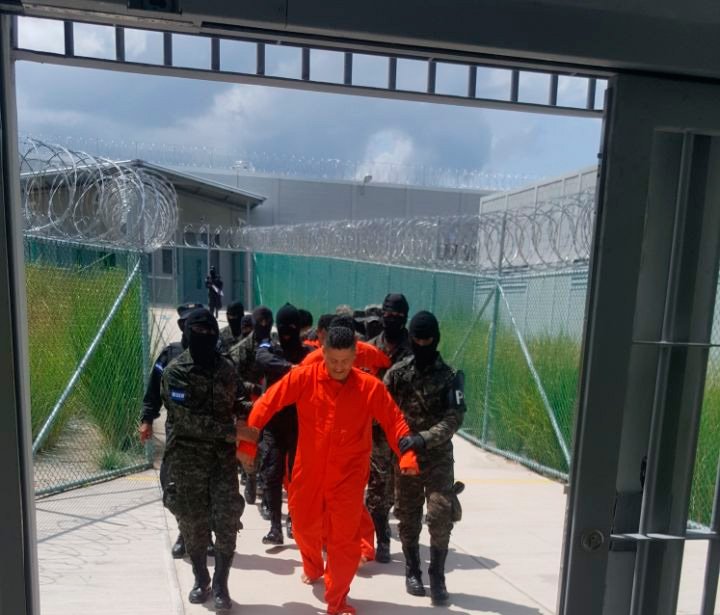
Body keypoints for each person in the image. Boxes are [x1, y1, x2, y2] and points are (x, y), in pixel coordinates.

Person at [237, 326, 420, 615]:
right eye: (333, 361)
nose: (339, 368)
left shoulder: (369, 387)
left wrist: (407, 454)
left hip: (348, 476)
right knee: (303, 527)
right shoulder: (304, 377)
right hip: (307, 472)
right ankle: (312, 565)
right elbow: (268, 402)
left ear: (355, 357)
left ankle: (337, 600)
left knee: (343, 541)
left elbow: (394, 421)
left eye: (346, 361)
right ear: (322, 353)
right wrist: (248, 444)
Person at [160, 308, 245, 611]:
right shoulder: (176, 372)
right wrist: (231, 431)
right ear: (187, 333)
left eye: (211, 332)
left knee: (226, 520)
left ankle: (221, 583)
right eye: (199, 332)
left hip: (222, 463)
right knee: (193, 523)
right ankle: (201, 578)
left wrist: (255, 410)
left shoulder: (226, 370)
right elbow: (186, 421)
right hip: (188, 462)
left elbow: (238, 400)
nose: (206, 337)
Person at [385, 311, 465, 605]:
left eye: (427, 339)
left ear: (436, 338)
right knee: (407, 515)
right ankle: (412, 570)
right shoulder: (397, 374)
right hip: (405, 458)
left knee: (440, 513)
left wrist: (424, 438)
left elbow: (454, 419)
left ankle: (437, 576)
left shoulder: (450, 377)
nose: (422, 344)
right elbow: (383, 409)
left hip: (438, 457)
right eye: (417, 339)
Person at [139, 302, 208, 559]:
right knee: (173, 487)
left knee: (207, 487)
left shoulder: (214, 353)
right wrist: (147, 418)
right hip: (178, 434)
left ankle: (204, 533)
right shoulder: (170, 355)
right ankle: (185, 532)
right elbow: (154, 389)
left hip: (208, 437)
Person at [255, 303, 313, 544]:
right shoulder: (271, 349)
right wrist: (292, 369)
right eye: (284, 327)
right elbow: (261, 357)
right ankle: (275, 527)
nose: (288, 333)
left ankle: (294, 519)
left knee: (297, 477)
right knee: (271, 473)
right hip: (274, 424)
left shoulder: (309, 353)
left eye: (292, 328)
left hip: (300, 425)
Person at [366, 293, 413, 563]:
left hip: (405, 429)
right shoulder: (370, 348)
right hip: (376, 430)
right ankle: (382, 537)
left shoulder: (413, 349)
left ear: (405, 316)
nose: (391, 317)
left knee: (402, 486)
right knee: (378, 486)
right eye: (387, 312)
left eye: (396, 314)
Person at [231, 305, 276, 506]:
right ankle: (250, 476)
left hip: (273, 406)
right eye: (260, 323)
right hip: (248, 405)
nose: (264, 327)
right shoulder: (240, 350)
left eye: (268, 323)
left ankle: (267, 495)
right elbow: (233, 380)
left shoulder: (276, 348)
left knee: (269, 450)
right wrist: (255, 389)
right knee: (250, 447)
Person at [301, 315, 390, 376]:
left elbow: (388, 368)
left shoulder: (370, 352)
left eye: (345, 340)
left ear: (354, 340)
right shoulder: (313, 359)